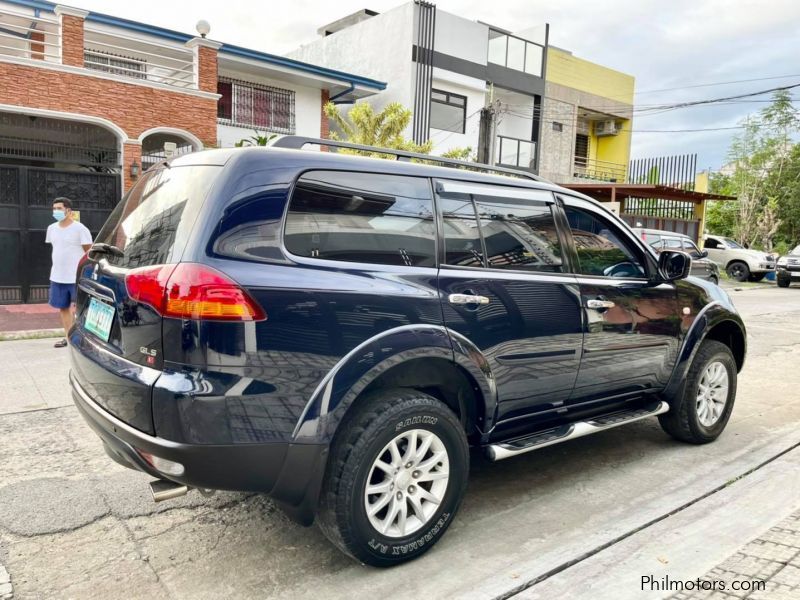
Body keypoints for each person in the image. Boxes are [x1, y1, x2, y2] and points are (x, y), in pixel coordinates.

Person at [46, 197, 92, 348]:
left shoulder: (80, 229)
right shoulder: (51, 228)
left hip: (76, 277)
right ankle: (68, 337)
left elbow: (89, 253)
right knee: (63, 307)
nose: (56, 211)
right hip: (58, 276)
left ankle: (83, 339)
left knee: (80, 309)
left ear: (68, 211)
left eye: (59, 208)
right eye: (54, 209)